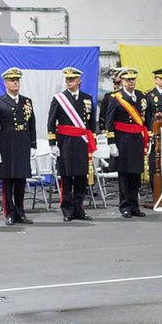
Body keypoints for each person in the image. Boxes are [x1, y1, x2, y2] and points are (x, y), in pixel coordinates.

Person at [47, 66, 96, 222]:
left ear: (79, 81)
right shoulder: (59, 99)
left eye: (72, 79)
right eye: (67, 79)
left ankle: (79, 209)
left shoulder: (87, 98)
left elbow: (91, 123)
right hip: (65, 142)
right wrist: (52, 143)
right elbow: (51, 122)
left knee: (81, 177)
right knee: (67, 177)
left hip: (82, 142)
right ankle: (67, 210)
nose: (69, 82)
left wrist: (92, 141)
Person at [0, 67, 37, 225]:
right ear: (5, 83)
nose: (15, 82)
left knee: (21, 180)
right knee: (8, 181)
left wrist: (33, 145)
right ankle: (9, 212)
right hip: (7, 145)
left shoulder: (26, 101)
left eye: (17, 80)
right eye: (12, 80)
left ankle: (20, 211)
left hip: (22, 143)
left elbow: (32, 124)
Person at [103, 67, 149, 218]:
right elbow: (109, 121)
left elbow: (145, 119)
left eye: (133, 79)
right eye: (128, 80)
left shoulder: (141, 96)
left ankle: (135, 205)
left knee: (136, 174)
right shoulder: (115, 97)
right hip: (122, 140)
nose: (131, 82)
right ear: (121, 80)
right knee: (123, 175)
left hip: (136, 140)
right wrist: (111, 142)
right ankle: (125, 206)